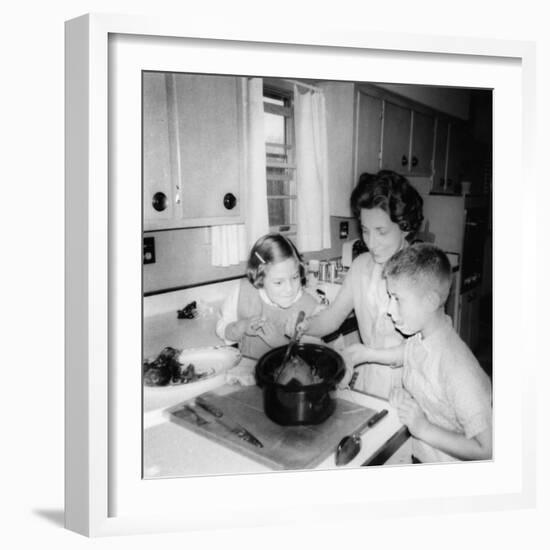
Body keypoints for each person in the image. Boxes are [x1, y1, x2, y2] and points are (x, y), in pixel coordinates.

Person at [287, 170, 424, 398]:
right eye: (365, 230)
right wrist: (306, 326)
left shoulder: (421, 273)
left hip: (411, 387)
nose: (371, 243)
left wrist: (367, 354)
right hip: (369, 382)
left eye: (381, 232)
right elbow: (333, 317)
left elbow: (421, 350)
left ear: (405, 226)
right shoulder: (361, 267)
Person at [382, 243, 492, 463]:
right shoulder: (416, 339)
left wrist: (423, 428)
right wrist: (408, 400)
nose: (389, 310)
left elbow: (488, 449)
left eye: (397, 299)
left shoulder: (458, 369)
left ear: (430, 301)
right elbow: (431, 395)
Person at [216, 233, 320, 359]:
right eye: (278, 282)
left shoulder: (309, 306)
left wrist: (281, 344)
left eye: (295, 277)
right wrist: (241, 327)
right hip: (248, 373)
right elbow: (221, 329)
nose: (289, 289)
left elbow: (313, 357)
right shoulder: (242, 291)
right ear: (260, 278)